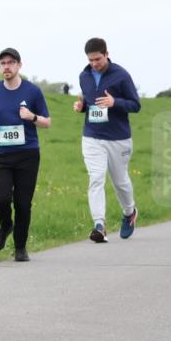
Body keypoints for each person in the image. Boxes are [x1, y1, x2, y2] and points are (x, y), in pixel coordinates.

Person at [0, 48, 51, 262]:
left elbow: (46, 122)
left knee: (22, 203)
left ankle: (20, 248)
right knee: (0, 197)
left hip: (28, 153)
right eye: (2, 63)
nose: (7, 67)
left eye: (11, 62)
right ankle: (5, 226)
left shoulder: (33, 91)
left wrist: (31, 117)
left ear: (20, 65)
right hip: (2, 153)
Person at [72, 38, 141, 242]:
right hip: (92, 136)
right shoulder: (84, 76)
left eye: (98, 59)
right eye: (91, 60)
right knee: (96, 178)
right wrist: (82, 106)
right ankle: (99, 225)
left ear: (107, 54)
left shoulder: (121, 75)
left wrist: (115, 102)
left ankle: (130, 213)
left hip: (118, 138)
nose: (94, 64)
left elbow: (135, 105)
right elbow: (89, 101)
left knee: (120, 182)